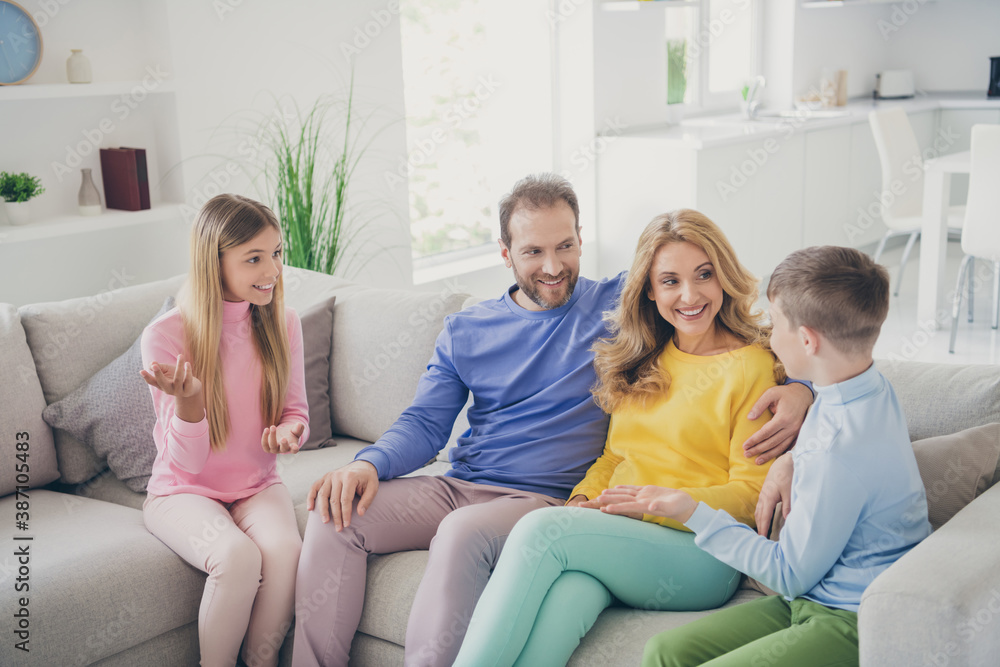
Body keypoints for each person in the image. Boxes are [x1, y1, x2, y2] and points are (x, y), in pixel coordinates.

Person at [292, 174, 813, 667]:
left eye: (565, 246)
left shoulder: (617, 305)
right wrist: (366, 464)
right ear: (505, 254)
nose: (553, 266)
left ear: (581, 240)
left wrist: (803, 388)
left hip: (544, 500)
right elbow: (426, 424)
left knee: (464, 533)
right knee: (335, 514)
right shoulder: (473, 329)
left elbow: (802, 333)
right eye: (533, 251)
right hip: (466, 484)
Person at [452, 209, 787, 667]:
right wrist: (581, 499)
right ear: (649, 289)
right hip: (622, 536)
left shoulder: (751, 367)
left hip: (704, 552)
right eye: (670, 281)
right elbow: (613, 457)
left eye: (704, 275)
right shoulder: (642, 357)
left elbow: (751, 496)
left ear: (724, 276)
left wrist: (662, 504)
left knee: (539, 529)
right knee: (569, 594)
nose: (690, 295)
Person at [598, 245, 932, 667]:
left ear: (807, 340)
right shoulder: (865, 386)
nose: (769, 339)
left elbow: (788, 573)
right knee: (663, 651)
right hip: (811, 597)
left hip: (850, 618)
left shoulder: (836, 454)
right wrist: (790, 461)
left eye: (775, 324)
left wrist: (692, 511)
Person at [140, 194, 309, 667]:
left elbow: (295, 409)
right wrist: (190, 402)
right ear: (213, 263)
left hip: (257, 484)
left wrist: (290, 432)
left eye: (276, 253)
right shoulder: (165, 336)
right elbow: (187, 462)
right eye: (254, 259)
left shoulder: (284, 322)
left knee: (286, 552)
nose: (272, 270)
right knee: (238, 559)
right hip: (182, 491)